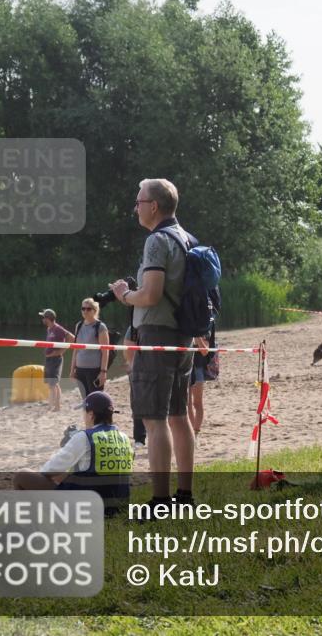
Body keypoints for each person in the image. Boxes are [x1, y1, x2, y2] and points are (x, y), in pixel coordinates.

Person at [109, 178, 195, 509]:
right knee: (179, 415)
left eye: (138, 202)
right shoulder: (186, 238)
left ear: (154, 206)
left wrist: (124, 295)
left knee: (154, 419)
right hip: (182, 336)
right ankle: (184, 496)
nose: (136, 208)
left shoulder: (157, 240)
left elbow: (151, 294)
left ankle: (160, 500)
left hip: (157, 334)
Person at [13, 391, 133, 515]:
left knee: (21, 476)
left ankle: (29, 520)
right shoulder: (124, 438)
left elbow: (48, 470)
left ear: (91, 415)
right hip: (118, 506)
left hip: (89, 508)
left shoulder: (85, 437)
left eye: (84, 412)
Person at [69, 298, 110, 403]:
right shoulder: (79, 325)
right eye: (83, 309)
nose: (85, 311)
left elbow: (105, 351)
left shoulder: (100, 327)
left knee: (96, 400)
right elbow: (76, 349)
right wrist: (72, 369)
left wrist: (103, 372)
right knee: (86, 401)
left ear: (95, 310)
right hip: (80, 369)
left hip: (94, 370)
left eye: (88, 309)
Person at [188, 321, 219, 438]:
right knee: (187, 403)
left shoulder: (207, 322)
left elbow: (205, 350)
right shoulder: (187, 321)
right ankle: (191, 433)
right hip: (184, 365)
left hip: (198, 367)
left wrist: (196, 336)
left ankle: (195, 432)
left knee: (197, 402)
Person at [40, 308, 74, 412]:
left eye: (43, 317)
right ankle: (51, 405)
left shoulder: (58, 328)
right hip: (49, 359)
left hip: (55, 359)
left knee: (54, 384)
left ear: (48, 318)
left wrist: (61, 351)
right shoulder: (49, 329)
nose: (42, 319)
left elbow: (72, 338)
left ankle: (57, 406)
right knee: (51, 384)